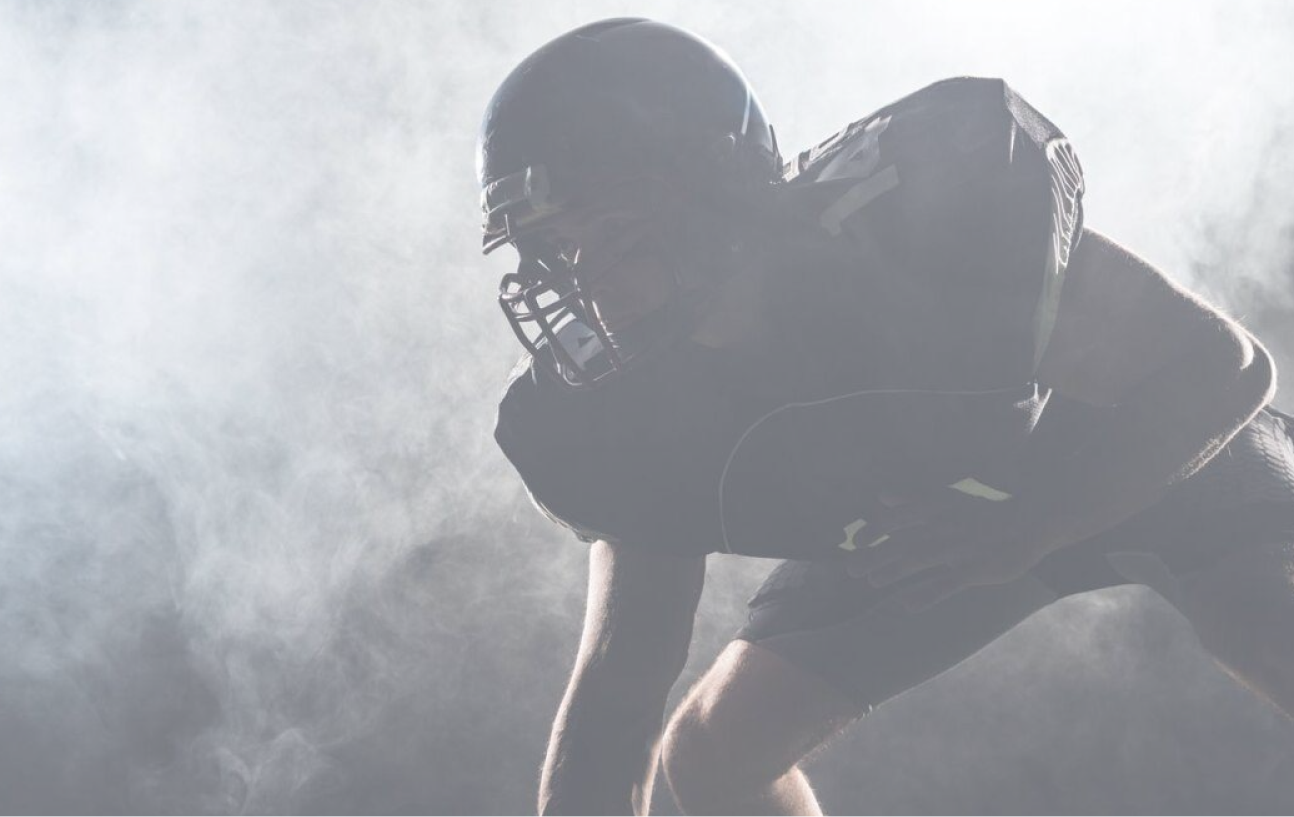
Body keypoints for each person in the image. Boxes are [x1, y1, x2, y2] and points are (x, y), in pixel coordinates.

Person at [476, 17, 1294, 817]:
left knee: (1260, 622)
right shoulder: (631, 411)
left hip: (1138, 450)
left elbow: (1223, 367)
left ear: (712, 194)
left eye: (612, 233)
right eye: (556, 254)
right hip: (936, 522)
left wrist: (1033, 525)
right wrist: (1004, 534)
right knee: (716, 753)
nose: (591, 288)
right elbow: (616, 704)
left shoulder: (911, 229)